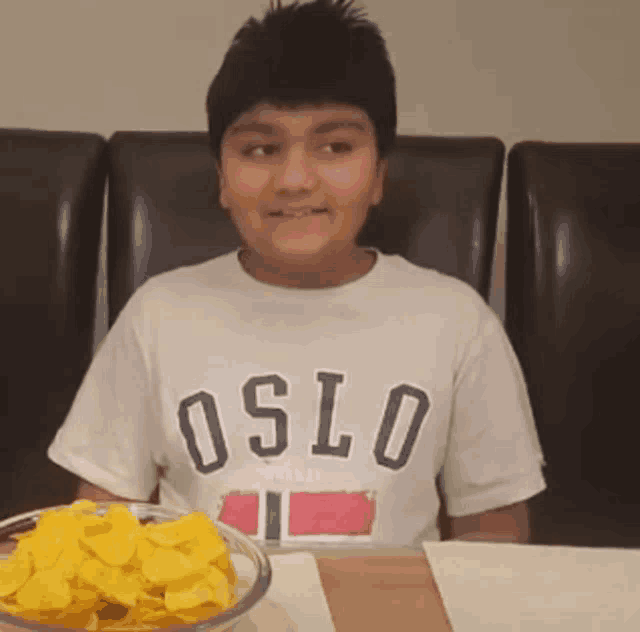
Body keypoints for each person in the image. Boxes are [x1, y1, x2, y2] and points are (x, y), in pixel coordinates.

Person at [48, 0, 546, 549]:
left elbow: (494, 535)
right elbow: (98, 528)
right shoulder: (157, 315)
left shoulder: (457, 323)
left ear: (380, 173)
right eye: (261, 148)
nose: (294, 179)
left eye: (335, 146)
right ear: (220, 177)